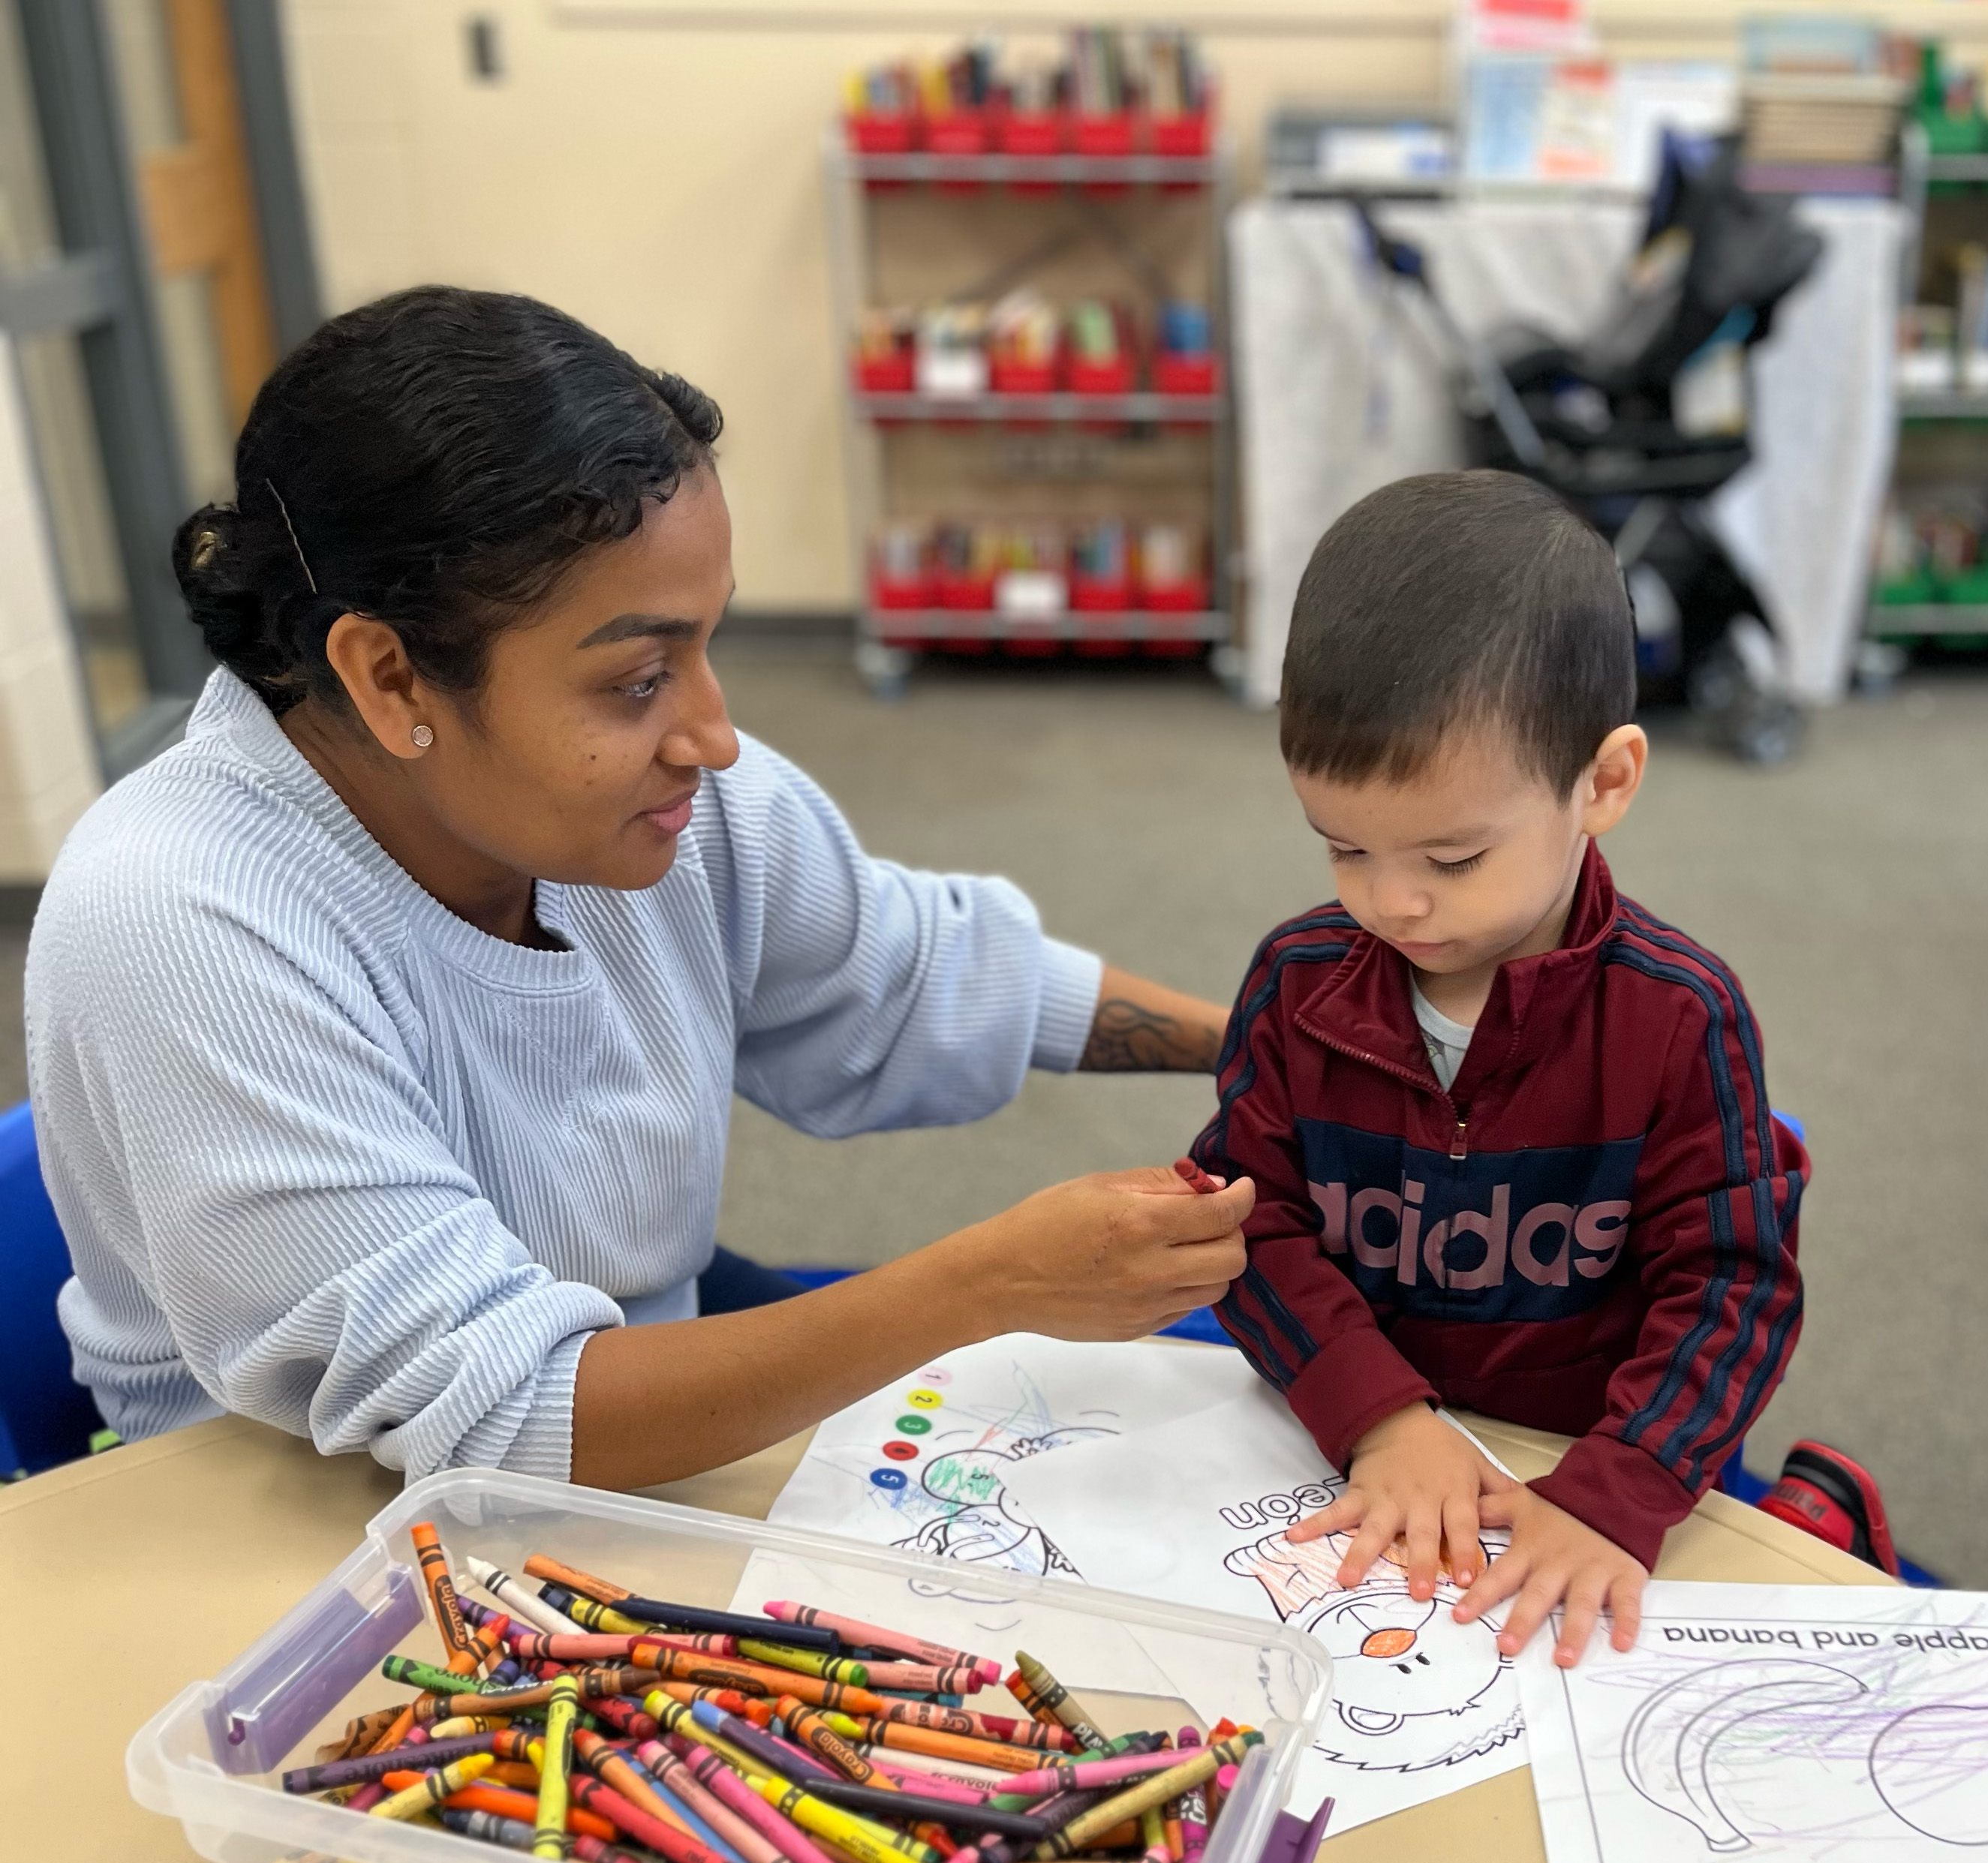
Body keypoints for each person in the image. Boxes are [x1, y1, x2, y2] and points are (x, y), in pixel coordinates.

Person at [25, 286, 1253, 1492]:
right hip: (298, 1524)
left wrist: (1264, 1034)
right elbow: (501, 1416)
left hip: (604, 1391)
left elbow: (913, 972)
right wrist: (986, 1285)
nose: (713, 738)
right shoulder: (180, 921)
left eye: (708, 642)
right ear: (390, 676)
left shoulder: (650, 800)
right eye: (635, 678)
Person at [1191, 470, 1892, 1671]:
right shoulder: (1300, 982)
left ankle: (1823, 1518)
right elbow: (1250, 1228)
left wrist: (1614, 1488)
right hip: (1369, 1450)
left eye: (1453, 857)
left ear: (1603, 783)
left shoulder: (1681, 1014)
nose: (1391, 901)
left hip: (1593, 1470)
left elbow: (1731, 1287)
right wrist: (1381, 1413)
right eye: (1342, 846)